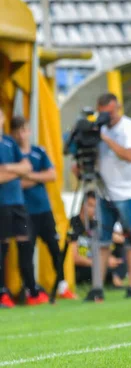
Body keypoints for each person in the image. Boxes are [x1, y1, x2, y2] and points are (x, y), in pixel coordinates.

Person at [10, 116, 76, 299]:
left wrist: (28, 175)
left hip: (43, 210)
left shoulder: (39, 151)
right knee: (26, 251)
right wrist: (36, 176)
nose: (23, 135)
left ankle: (62, 285)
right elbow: (15, 183)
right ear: (14, 133)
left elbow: (52, 175)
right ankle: (31, 290)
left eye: (26, 130)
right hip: (23, 212)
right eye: (20, 131)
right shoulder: (12, 154)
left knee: (55, 248)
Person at [96, 92, 131, 299]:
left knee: (130, 239)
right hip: (104, 192)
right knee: (102, 240)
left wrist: (106, 139)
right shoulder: (98, 130)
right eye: (103, 113)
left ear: (117, 108)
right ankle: (97, 287)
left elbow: (130, 155)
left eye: (110, 112)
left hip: (128, 192)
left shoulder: (129, 127)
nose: (107, 118)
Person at [0, 109, 48, 307]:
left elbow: (27, 167)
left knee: (25, 246)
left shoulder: (9, 142)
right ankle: (3, 292)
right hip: (1, 203)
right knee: (2, 250)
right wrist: (17, 170)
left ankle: (31, 290)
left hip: (18, 203)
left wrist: (9, 168)